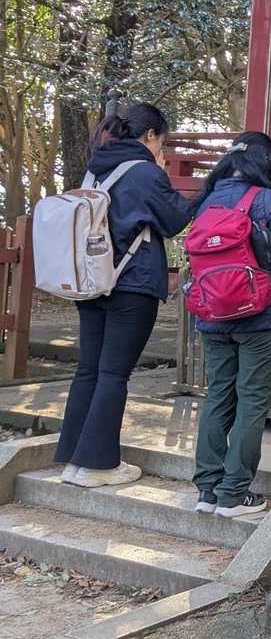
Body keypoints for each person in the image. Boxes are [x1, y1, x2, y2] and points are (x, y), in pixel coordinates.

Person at [57, 103, 193, 488]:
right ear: (150, 135)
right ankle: (97, 467)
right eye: (162, 141)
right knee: (114, 374)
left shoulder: (95, 170)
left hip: (91, 282)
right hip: (132, 284)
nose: (161, 149)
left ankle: (73, 460)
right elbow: (175, 219)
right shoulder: (146, 172)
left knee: (89, 370)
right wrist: (161, 174)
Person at [191, 132, 271, 518]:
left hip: (212, 314)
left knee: (218, 396)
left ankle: (207, 490)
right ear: (267, 163)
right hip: (260, 315)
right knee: (252, 401)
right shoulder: (264, 199)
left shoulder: (207, 200)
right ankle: (234, 494)